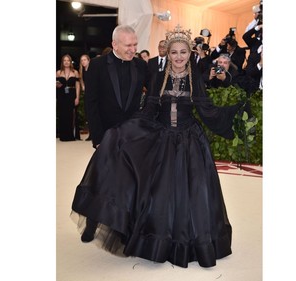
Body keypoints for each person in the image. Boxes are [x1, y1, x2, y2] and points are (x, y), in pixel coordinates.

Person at [71, 24, 246, 268]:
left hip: (189, 140)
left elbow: (207, 107)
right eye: (173, 52)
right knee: (130, 180)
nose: (178, 57)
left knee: (191, 191)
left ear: (189, 54)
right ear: (116, 45)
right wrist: (116, 134)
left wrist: (235, 115)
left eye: (183, 52)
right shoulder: (145, 74)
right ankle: (95, 221)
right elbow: (148, 109)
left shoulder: (162, 71)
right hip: (142, 133)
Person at [84, 25, 149, 148]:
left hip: (134, 133)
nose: (133, 49)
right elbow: (91, 103)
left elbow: (153, 92)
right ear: (115, 45)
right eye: (128, 45)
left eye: (135, 44)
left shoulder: (141, 65)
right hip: (106, 134)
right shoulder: (97, 65)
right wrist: (97, 138)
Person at [56, 54, 80, 141]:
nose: (66, 62)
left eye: (68, 60)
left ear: (70, 62)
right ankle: (63, 135)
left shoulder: (75, 72)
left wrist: (77, 97)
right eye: (64, 60)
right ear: (62, 62)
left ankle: (71, 135)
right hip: (62, 95)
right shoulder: (58, 72)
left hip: (71, 95)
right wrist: (57, 85)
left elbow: (77, 86)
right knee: (63, 115)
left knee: (71, 115)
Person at [79, 54, 92, 141]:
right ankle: (91, 134)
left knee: (94, 114)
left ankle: (95, 134)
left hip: (94, 94)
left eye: (85, 60)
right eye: (82, 60)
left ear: (88, 60)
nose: (83, 61)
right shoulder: (82, 71)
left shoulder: (93, 70)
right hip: (87, 94)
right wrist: (83, 86)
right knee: (89, 114)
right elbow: (82, 81)